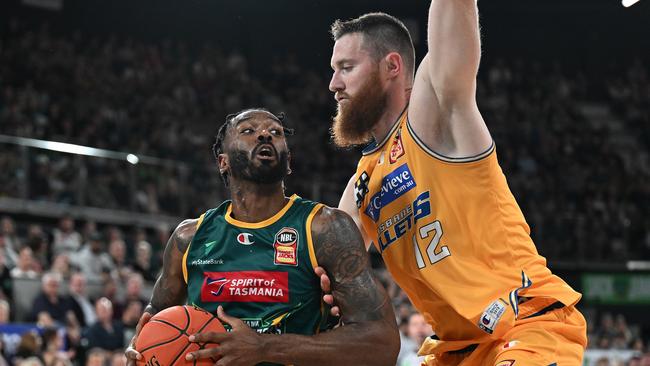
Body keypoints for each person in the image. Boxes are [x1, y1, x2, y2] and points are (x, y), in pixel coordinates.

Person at [324, 3, 587, 365]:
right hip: (453, 352)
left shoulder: (435, 115)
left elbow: (452, 19)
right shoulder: (361, 185)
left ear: (392, 67)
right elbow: (323, 268)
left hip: (522, 326)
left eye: (346, 68)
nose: (334, 84)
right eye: (334, 71)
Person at [125, 109, 399, 366]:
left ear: (288, 162)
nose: (265, 134)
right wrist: (143, 348)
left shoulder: (324, 228)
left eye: (275, 132)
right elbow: (154, 323)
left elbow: (382, 341)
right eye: (247, 130)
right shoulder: (189, 238)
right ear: (224, 162)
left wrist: (264, 347)